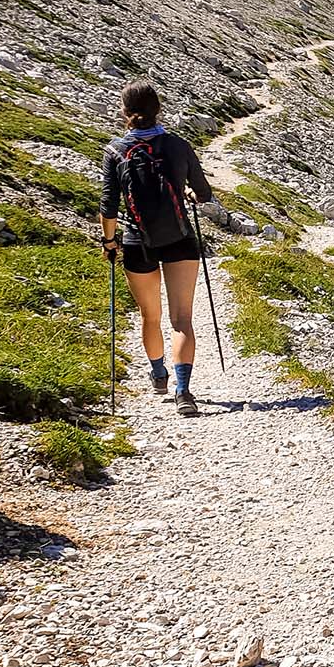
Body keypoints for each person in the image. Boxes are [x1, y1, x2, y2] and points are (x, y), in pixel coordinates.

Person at [99, 78, 216, 417]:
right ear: (158, 109)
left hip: (138, 244)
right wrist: (192, 196)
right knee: (182, 319)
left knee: (150, 316)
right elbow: (203, 192)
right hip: (180, 239)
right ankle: (184, 392)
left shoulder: (115, 151)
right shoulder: (179, 146)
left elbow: (108, 206)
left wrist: (109, 241)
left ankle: (159, 373)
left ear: (124, 112)